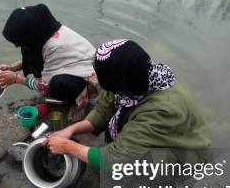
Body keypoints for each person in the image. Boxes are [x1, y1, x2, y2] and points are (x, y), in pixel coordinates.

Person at [43, 39, 210, 168]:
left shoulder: (162, 110)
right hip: (154, 129)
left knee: (127, 174)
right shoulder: (132, 75)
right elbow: (102, 111)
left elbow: (114, 160)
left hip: (183, 153)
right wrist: (70, 130)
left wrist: (69, 147)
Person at [0, 4, 98, 114]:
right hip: (74, 68)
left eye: (18, 43)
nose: (16, 46)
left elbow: (43, 86)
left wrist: (16, 79)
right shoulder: (44, 30)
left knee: (57, 85)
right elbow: (41, 57)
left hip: (90, 83)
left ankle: (79, 103)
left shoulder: (54, 46)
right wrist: (11, 67)